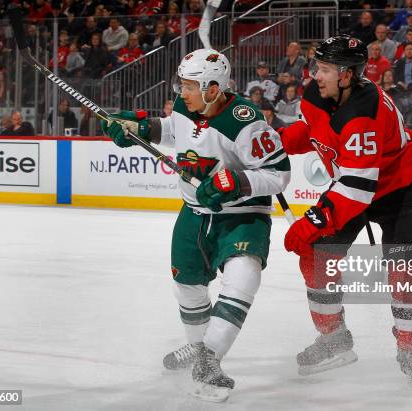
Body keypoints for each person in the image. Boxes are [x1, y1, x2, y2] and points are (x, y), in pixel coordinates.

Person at [101, 49, 290, 402]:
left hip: (242, 217)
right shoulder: (188, 104)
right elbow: (176, 130)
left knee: (243, 277)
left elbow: (279, 174)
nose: (181, 93)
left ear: (214, 88)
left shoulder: (245, 121)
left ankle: (209, 359)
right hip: (194, 213)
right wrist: (141, 127)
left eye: (189, 86)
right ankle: (199, 347)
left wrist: (234, 182)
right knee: (186, 284)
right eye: (182, 85)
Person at [279, 35, 412, 382]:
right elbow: (316, 129)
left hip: (398, 190)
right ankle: (334, 338)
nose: (315, 76)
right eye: (316, 67)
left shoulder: (363, 112)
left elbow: (357, 191)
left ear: (347, 75)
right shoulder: (318, 94)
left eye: (325, 70)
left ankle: (411, 350)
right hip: (354, 181)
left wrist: (310, 221)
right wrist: (282, 142)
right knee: (317, 254)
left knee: (408, 271)